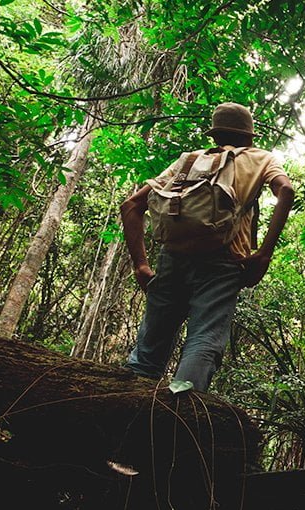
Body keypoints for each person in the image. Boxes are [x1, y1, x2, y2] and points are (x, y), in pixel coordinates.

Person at [120, 102, 294, 391]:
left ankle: (127, 406)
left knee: (149, 348)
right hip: (223, 263)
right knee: (203, 340)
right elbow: (285, 190)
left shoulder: (189, 160)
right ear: (250, 136)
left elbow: (131, 206)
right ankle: (182, 416)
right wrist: (263, 254)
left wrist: (140, 264)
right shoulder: (262, 158)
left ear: (214, 136)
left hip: (171, 258)